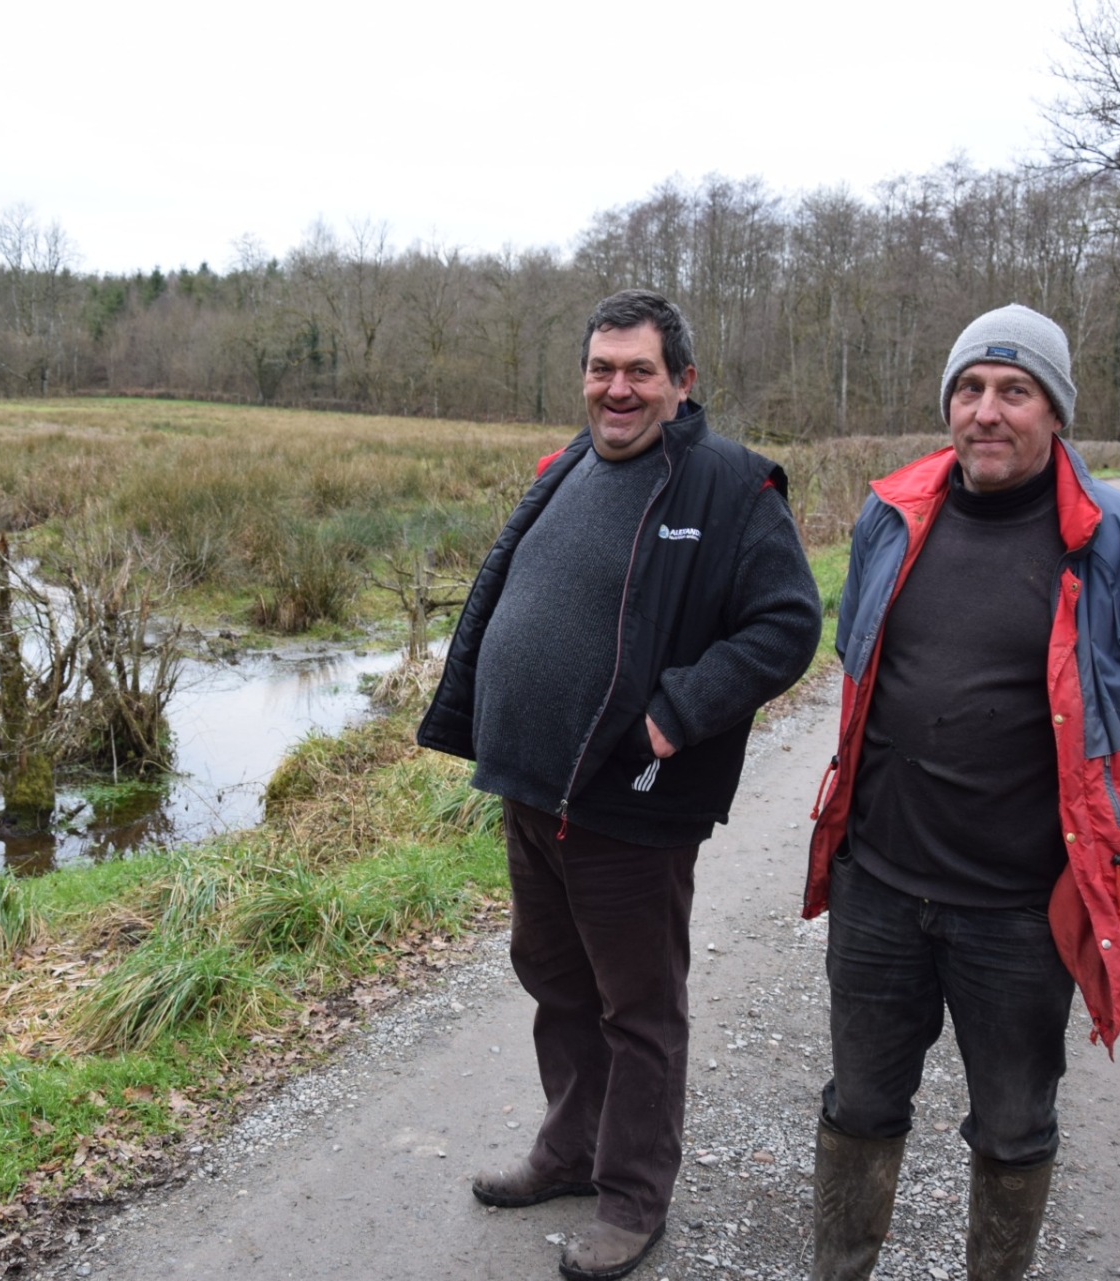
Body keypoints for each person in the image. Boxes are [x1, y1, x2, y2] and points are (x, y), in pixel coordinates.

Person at [800, 304, 1120, 1281]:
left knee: (1014, 1118)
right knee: (860, 1103)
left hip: (1025, 912)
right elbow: (855, 654)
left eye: (1014, 390)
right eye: (969, 389)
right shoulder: (889, 513)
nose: (986, 411)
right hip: (879, 892)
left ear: (1056, 413)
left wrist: (1092, 805)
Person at [418, 289, 822, 1280]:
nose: (617, 388)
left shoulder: (730, 487)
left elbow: (787, 625)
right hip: (535, 790)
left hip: (632, 801)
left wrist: (672, 717)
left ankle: (635, 1198)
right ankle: (569, 1150)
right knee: (556, 983)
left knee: (637, 1006)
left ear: (682, 382)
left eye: (640, 370)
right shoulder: (567, 467)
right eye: (603, 369)